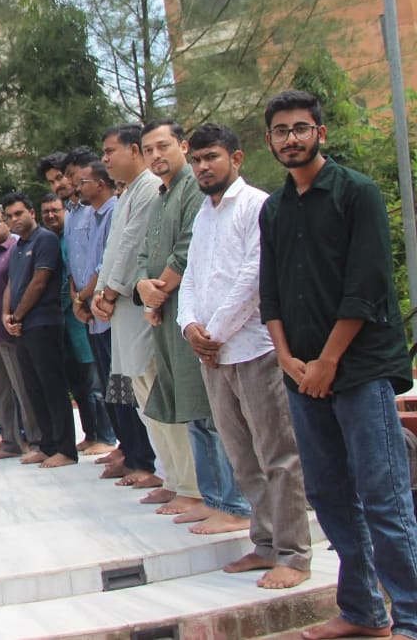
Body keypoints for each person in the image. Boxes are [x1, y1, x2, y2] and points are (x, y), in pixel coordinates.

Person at [258, 90, 417, 640]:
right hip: (302, 373)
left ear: (319, 133)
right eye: (281, 131)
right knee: (326, 493)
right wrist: (286, 358)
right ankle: (362, 612)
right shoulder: (274, 209)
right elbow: (271, 293)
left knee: (383, 495)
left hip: (359, 370)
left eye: (300, 128)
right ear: (271, 140)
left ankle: (411, 619)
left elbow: (367, 287)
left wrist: (327, 361)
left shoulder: (357, 193)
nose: (291, 139)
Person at [178, 123, 311, 583]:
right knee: (242, 456)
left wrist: (212, 332)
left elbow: (254, 277)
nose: (202, 167)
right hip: (213, 355)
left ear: (236, 159)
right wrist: (189, 326)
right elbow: (191, 276)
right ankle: (265, 542)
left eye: (211, 157)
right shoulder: (203, 214)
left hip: (254, 348)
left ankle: (293, 555)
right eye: (196, 160)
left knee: (278, 454)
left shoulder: (256, 206)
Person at [134, 120, 224, 524]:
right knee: (183, 404)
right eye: (148, 149)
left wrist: (160, 290)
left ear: (182, 146)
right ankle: (197, 491)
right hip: (163, 312)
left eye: (163, 146)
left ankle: (217, 497)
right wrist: (144, 290)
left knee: (204, 406)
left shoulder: (192, 188)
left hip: (189, 310)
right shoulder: (159, 197)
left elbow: (189, 246)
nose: (156, 155)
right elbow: (143, 253)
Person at [91, 125, 168, 495]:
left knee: (150, 383)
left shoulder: (150, 187)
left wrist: (110, 291)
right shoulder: (128, 194)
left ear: (134, 150)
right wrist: (100, 293)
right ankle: (167, 473)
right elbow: (112, 250)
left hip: (135, 301)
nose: (105, 160)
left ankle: (167, 471)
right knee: (136, 388)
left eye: (110, 151)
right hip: (118, 302)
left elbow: (134, 245)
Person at [75, 160, 156, 483]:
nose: (79, 186)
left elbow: (124, 255)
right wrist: (84, 300)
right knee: (119, 392)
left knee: (136, 392)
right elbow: (105, 258)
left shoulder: (118, 207)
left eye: (83, 180)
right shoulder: (101, 213)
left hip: (117, 311)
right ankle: (132, 453)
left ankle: (146, 461)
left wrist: (101, 296)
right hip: (101, 313)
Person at [2, 193, 77, 467]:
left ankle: (66, 449)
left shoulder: (45, 239)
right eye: (9, 216)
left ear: (31, 212)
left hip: (44, 322)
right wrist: (7, 316)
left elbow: (39, 281)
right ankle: (47, 445)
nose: (14, 220)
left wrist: (18, 315)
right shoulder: (17, 247)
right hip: (22, 328)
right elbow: (12, 283)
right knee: (34, 388)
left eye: (18, 213)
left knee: (53, 387)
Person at [42, 193, 116, 456]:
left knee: (96, 382)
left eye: (55, 210)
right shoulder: (54, 240)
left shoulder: (79, 230)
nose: (51, 216)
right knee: (78, 385)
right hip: (66, 319)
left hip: (85, 314)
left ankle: (107, 436)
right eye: (46, 212)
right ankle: (91, 433)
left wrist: (78, 298)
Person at [0, 205, 37, 461]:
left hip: (11, 332)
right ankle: (10, 441)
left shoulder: (15, 250)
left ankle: (36, 441)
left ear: (7, 223)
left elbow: (16, 286)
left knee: (23, 390)